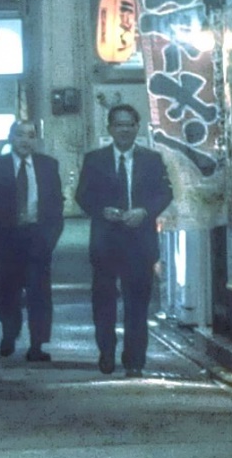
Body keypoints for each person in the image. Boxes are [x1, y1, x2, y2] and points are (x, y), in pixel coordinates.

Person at [73, 102, 172, 375]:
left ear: (137, 127)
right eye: (119, 125)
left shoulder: (152, 160)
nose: (125, 130)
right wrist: (102, 210)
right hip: (106, 240)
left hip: (140, 241)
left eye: (130, 124)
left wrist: (145, 211)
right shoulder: (95, 159)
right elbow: (82, 195)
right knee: (104, 302)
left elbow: (165, 193)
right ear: (110, 128)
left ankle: (135, 361)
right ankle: (106, 351)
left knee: (137, 305)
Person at [0, 120, 66, 361]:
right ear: (11, 138)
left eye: (31, 135)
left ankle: (37, 344)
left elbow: (56, 203)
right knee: (7, 290)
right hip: (6, 238)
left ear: (36, 140)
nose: (25, 140)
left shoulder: (48, 166)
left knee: (39, 293)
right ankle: (9, 333)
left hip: (37, 236)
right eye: (20, 135)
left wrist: (51, 236)